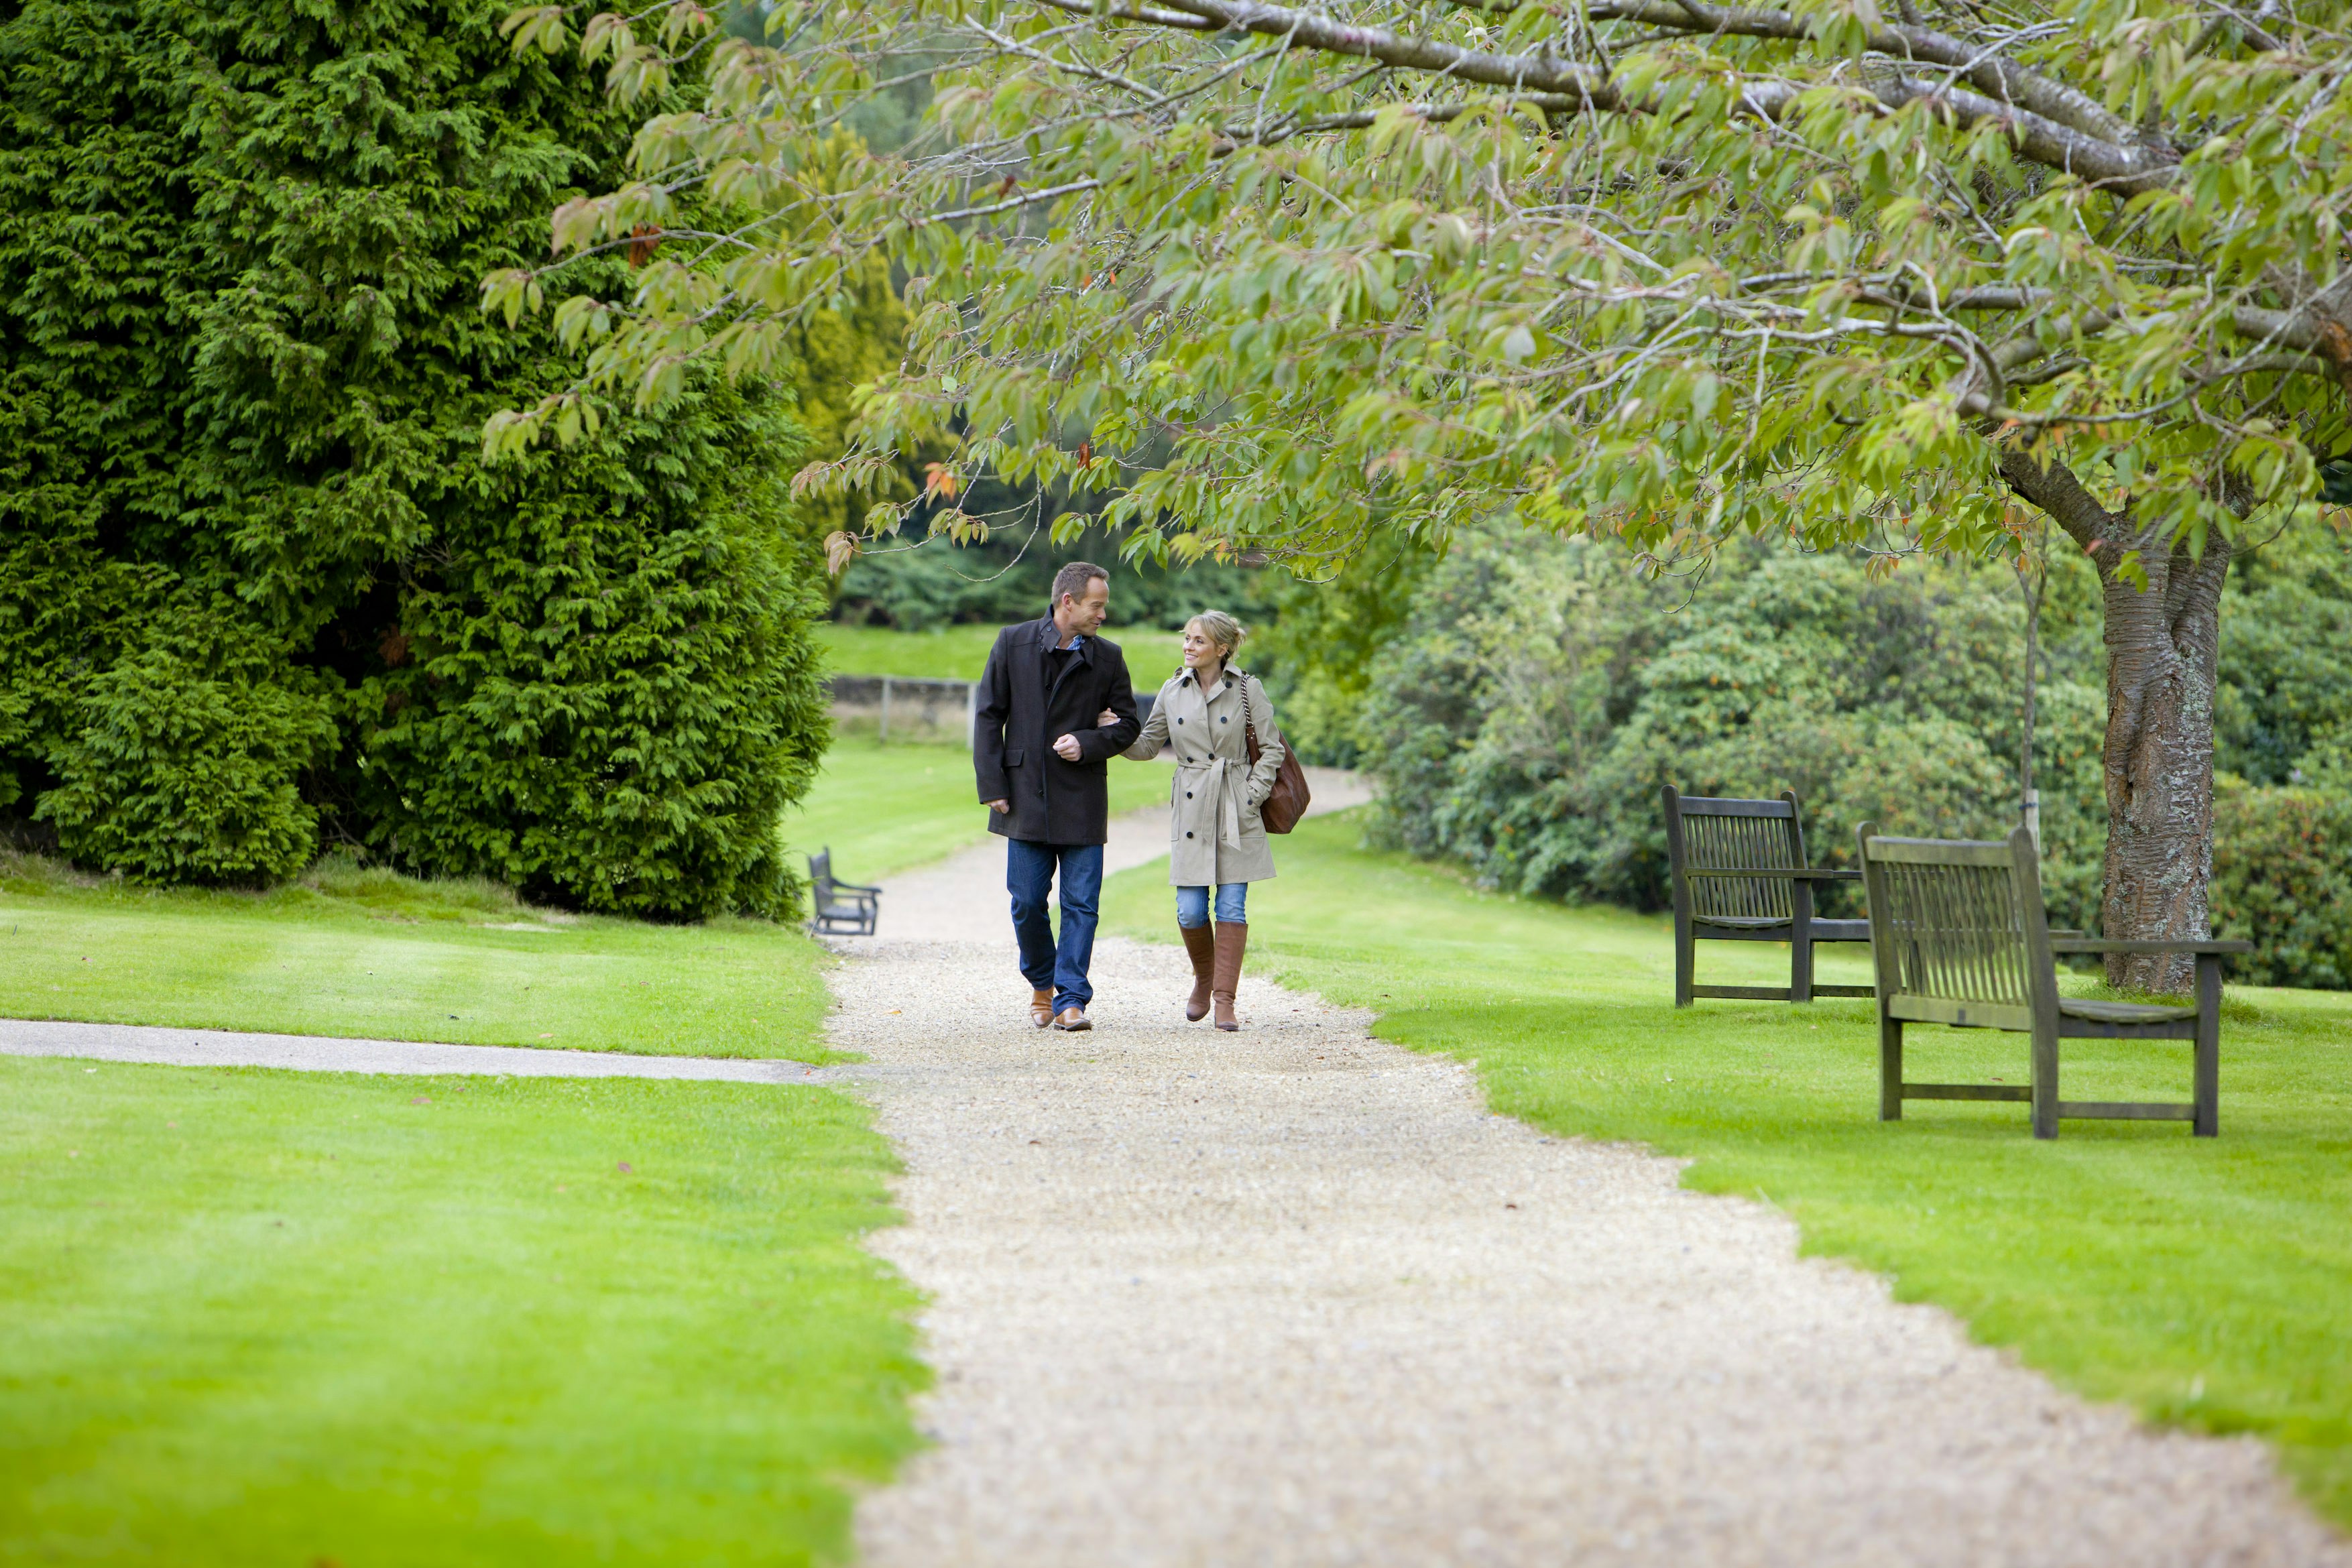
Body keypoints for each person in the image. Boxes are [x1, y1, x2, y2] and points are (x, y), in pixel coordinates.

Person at [973, 562, 1141, 1031]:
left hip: (1083, 796)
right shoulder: (1013, 642)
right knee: (1027, 902)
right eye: (1097, 606)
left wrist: (1087, 742)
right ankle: (1042, 982)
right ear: (1068, 602)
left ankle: (1071, 1000)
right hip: (1024, 793)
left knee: (1081, 905)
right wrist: (992, 785)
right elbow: (988, 715)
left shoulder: (1109, 657)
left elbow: (1129, 724)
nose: (1103, 614)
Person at [1120, 610, 1287, 1030]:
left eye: (1198, 640)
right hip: (1192, 805)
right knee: (1190, 910)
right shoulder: (1172, 689)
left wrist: (1251, 795)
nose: (1188, 646)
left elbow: (1272, 749)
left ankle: (1225, 1000)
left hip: (1235, 805)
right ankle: (1205, 977)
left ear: (1222, 648)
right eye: (1187, 638)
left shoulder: (1247, 689)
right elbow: (1147, 746)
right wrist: (1112, 732)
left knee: (1232, 905)